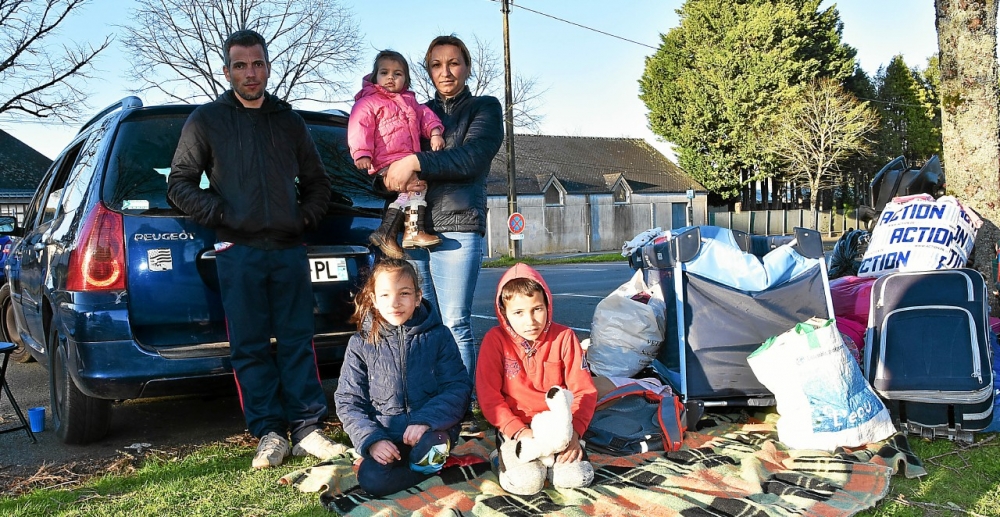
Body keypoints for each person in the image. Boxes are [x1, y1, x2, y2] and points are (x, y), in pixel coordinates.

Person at [167, 29, 344, 469]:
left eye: (258, 63)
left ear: (267, 67)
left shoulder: (288, 120)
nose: (251, 73)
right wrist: (224, 213)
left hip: (287, 250)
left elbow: (319, 184)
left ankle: (306, 429)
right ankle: (268, 432)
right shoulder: (206, 120)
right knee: (248, 345)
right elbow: (179, 184)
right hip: (237, 249)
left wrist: (301, 218)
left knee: (297, 340)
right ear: (226, 71)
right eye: (241, 65)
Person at [377, 35, 504, 432]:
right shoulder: (414, 109)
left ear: (467, 67)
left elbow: (470, 158)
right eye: (436, 65)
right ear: (428, 70)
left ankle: (458, 411)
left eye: (453, 63)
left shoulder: (484, 108)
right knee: (421, 321)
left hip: (458, 225)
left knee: (454, 323)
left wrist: (415, 160)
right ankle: (429, 404)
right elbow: (392, 158)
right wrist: (388, 174)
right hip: (415, 229)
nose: (445, 72)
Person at [335, 259, 472, 497]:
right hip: (386, 437)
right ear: (374, 300)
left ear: (418, 297)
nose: (395, 303)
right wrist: (372, 440)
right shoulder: (360, 344)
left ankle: (428, 462)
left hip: (430, 432)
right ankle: (427, 470)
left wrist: (425, 420)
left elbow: (457, 388)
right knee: (371, 479)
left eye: (404, 293)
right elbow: (348, 401)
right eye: (385, 295)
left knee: (434, 447)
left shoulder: (439, 336)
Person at [476, 263, 598, 495]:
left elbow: (585, 391)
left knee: (576, 478)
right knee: (526, 483)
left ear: (548, 305)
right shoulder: (495, 341)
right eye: (519, 313)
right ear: (504, 312)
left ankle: (552, 465)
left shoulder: (564, 337)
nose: (530, 321)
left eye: (537, 309)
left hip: (560, 429)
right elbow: (489, 396)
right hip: (518, 429)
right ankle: (501, 454)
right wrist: (518, 431)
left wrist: (574, 434)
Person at [348, 50, 446, 259]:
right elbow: (359, 126)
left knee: (409, 192)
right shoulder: (368, 102)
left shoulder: (410, 102)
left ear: (406, 80)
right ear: (375, 77)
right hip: (386, 160)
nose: (390, 77)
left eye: (397, 73)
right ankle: (412, 232)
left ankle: (387, 232)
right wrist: (362, 153)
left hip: (405, 159)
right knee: (419, 187)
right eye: (384, 72)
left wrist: (435, 132)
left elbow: (426, 117)